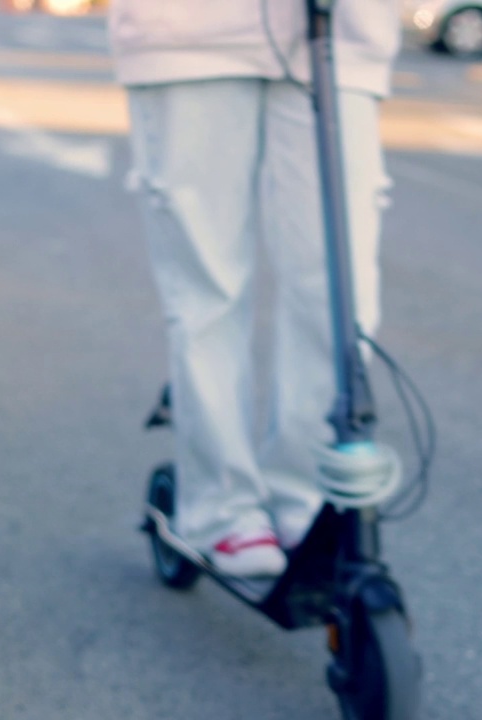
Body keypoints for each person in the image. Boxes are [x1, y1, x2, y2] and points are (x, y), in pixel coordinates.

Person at [109, 1, 401, 577]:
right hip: (191, 36)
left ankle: (306, 496)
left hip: (342, 35)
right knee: (207, 290)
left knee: (340, 294)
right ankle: (222, 510)